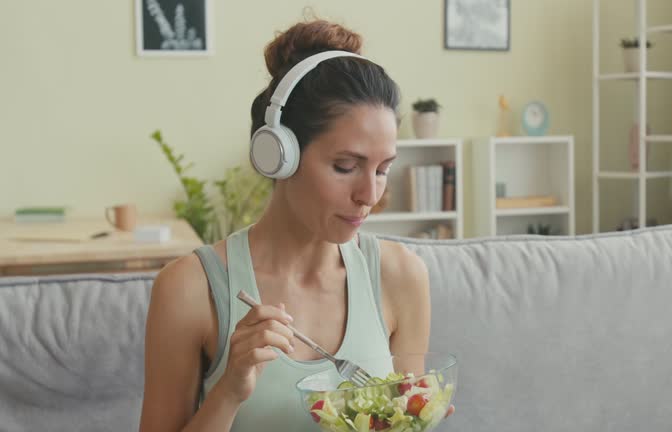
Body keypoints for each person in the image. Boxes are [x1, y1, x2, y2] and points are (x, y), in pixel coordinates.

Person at [139, 19, 451, 431]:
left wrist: (417, 421)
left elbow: (399, 420)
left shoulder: (401, 276)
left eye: (382, 169)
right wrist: (230, 390)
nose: (369, 194)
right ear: (278, 154)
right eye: (345, 166)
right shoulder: (190, 290)